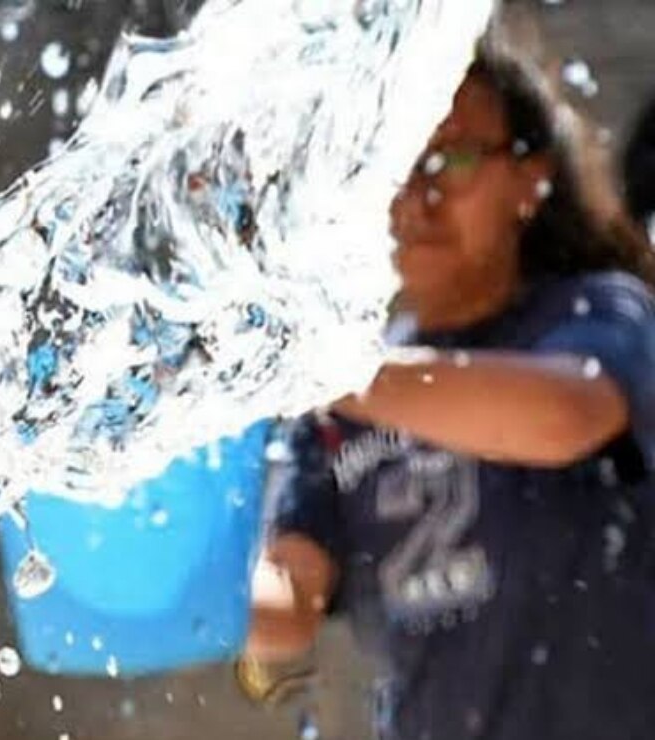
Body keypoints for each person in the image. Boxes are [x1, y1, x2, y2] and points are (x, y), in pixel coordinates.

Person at [240, 20, 655, 740]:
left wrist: (320, 366)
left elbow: (566, 417)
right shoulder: (337, 403)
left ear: (532, 179)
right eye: (396, 162)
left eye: (453, 159)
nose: (417, 194)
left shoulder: (599, 313)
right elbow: (286, 608)